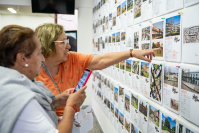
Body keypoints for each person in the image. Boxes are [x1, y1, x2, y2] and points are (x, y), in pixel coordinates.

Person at [35, 23, 160, 116]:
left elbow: (101, 60)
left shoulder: (71, 58)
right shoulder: (32, 71)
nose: (68, 46)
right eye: (63, 42)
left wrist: (132, 53)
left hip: (72, 120)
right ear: (48, 44)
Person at [0, 25, 86, 133]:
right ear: (22, 59)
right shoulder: (18, 99)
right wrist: (71, 106)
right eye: (39, 53)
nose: (43, 58)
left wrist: (56, 102)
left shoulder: (13, 83)